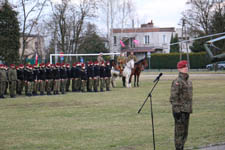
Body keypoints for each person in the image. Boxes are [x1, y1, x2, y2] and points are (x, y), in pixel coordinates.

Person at [170, 60, 193, 150]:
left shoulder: (189, 81)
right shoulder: (177, 82)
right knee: (179, 133)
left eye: (186, 67)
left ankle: (182, 147)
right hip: (180, 111)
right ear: (179, 69)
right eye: (184, 67)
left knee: (185, 133)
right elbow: (174, 97)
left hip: (187, 109)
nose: (186, 68)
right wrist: (176, 111)